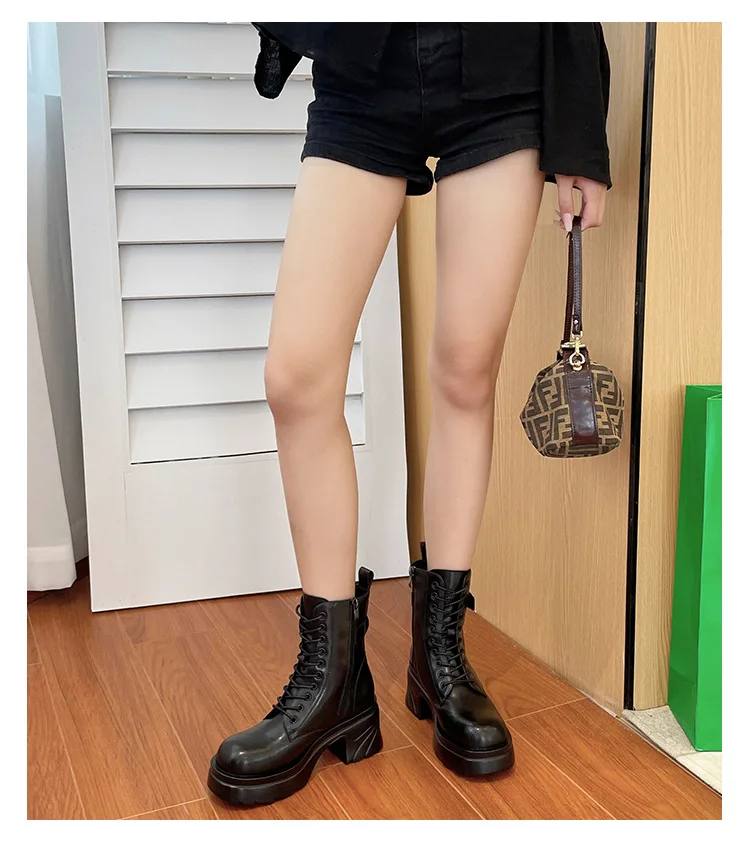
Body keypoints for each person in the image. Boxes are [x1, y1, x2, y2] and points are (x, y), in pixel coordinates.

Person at [207, 22, 611, 806]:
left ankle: (440, 654)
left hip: (501, 71)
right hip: (367, 67)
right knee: (296, 378)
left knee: (466, 373)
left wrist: (580, 137)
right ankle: (332, 681)